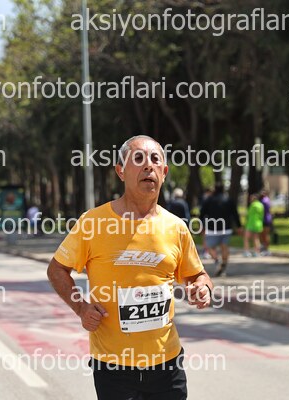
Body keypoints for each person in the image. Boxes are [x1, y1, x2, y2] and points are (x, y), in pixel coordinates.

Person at [47, 135, 212, 400]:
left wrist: (202, 287)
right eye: (138, 158)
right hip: (114, 367)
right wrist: (81, 307)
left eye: (155, 159)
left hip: (166, 363)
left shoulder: (176, 227)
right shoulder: (93, 223)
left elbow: (197, 275)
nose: (148, 165)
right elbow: (57, 269)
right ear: (120, 171)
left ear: (164, 172)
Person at [199, 183, 242, 277]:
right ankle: (224, 265)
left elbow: (202, 213)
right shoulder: (228, 200)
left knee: (209, 247)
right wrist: (239, 226)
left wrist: (201, 225)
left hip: (212, 228)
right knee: (224, 247)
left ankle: (217, 261)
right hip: (226, 228)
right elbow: (235, 214)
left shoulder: (209, 200)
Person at [259, 190, 272, 256]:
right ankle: (265, 249)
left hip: (264, 220)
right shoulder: (267, 200)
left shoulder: (264, 201)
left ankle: (266, 249)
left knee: (264, 235)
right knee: (264, 235)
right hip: (267, 219)